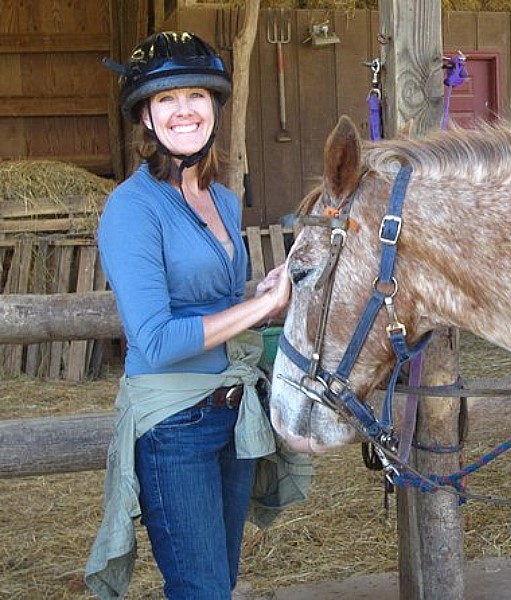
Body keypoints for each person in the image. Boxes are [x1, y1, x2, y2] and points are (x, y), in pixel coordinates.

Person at [85, 31, 310, 599]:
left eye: (196, 96)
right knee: (202, 590)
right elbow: (156, 341)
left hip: (233, 414)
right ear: (146, 116)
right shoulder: (132, 209)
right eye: (167, 99)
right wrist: (259, 308)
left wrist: (258, 296)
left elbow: (218, 310)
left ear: (214, 106)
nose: (184, 110)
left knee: (219, 582)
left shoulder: (223, 198)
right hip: (174, 427)